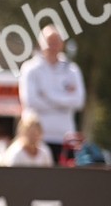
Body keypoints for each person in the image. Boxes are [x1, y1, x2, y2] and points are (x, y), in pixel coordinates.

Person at [18, 26, 86, 162]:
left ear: (62, 44)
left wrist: (47, 96)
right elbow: (31, 101)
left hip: (65, 138)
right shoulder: (30, 68)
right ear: (40, 43)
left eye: (56, 41)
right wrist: (64, 103)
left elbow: (79, 101)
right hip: (37, 141)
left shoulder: (72, 70)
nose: (52, 46)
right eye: (49, 41)